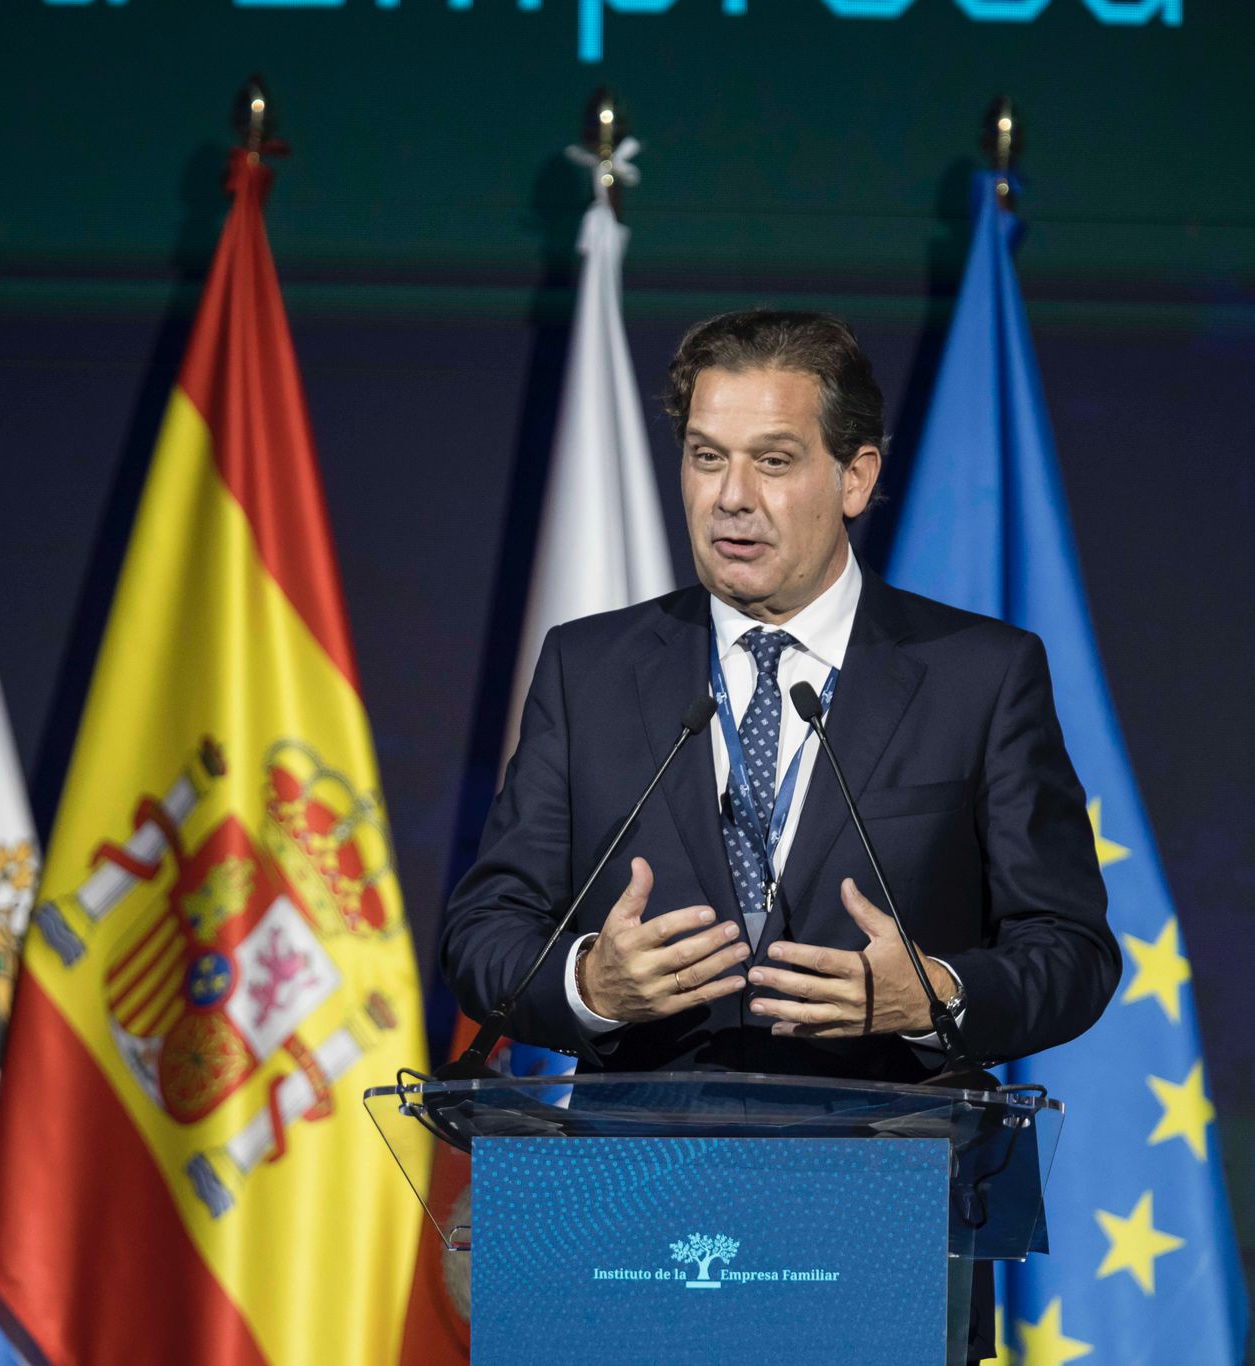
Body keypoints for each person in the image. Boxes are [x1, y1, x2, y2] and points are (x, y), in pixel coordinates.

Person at [439, 310, 1121, 1362]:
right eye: (705, 458)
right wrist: (585, 983)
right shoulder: (589, 670)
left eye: (772, 460)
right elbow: (483, 929)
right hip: (629, 1219)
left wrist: (933, 995)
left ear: (855, 476)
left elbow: (1070, 952)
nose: (729, 497)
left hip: (877, 1211)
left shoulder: (977, 678)